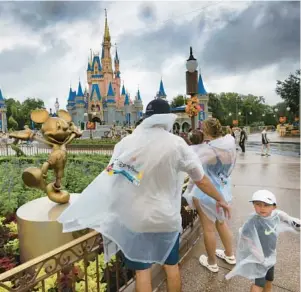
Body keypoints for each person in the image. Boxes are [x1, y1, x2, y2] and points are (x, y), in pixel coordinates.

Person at [58, 98, 231, 292]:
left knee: (142, 273)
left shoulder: (126, 143)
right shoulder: (177, 144)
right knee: (171, 267)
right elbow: (201, 180)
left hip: (136, 218)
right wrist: (221, 199)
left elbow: (113, 177)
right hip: (164, 218)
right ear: (167, 118)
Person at [183, 118, 237, 273]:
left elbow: (193, 169)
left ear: (205, 131)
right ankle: (229, 254)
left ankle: (212, 262)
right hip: (224, 191)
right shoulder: (229, 144)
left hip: (207, 193)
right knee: (221, 223)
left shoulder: (208, 150)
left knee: (208, 229)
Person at [226, 190, 300, 292]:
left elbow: (285, 217)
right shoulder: (252, 222)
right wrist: (259, 257)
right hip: (259, 260)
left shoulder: (275, 216)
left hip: (270, 257)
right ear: (253, 205)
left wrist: (294, 222)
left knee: (269, 281)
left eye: (266, 205)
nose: (262, 208)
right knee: (259, 285)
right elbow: (246, 239)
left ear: (274, 207)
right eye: (258, 204)